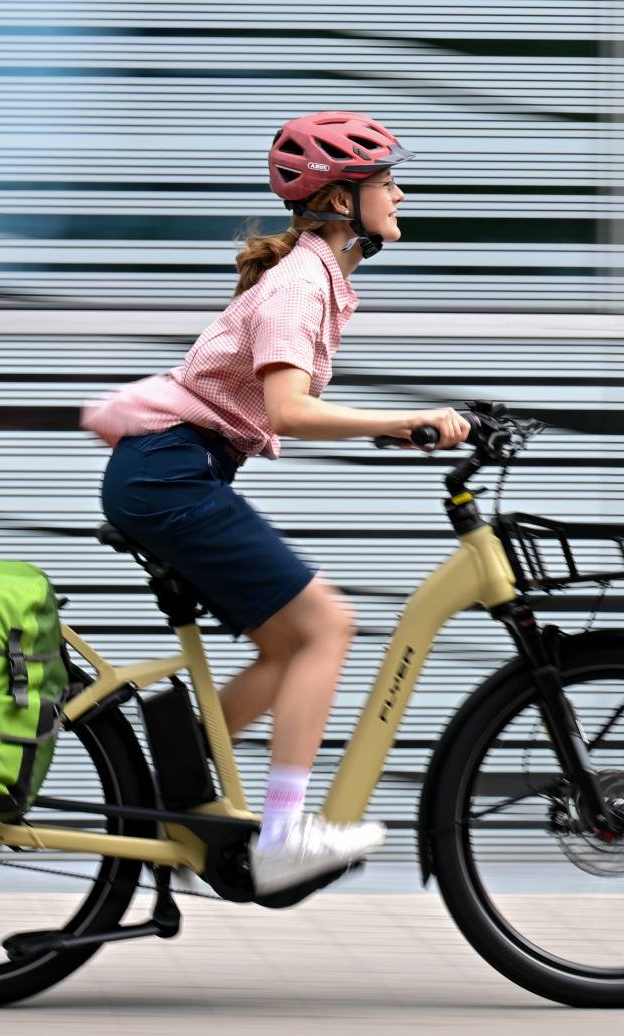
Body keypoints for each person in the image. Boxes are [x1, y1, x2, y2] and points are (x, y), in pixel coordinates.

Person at [79, 112, 469, 894]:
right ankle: (285, 834)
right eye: (386, 181)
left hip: (176, 471)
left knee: (289, 645)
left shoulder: (316, 279)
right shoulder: (298, 285)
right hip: (171, 475)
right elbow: (288, 410)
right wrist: (406, 418)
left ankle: (177, 783)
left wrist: (401, 431)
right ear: (338, 199)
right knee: (328, 624)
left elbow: (277, 405)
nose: (401, 193)